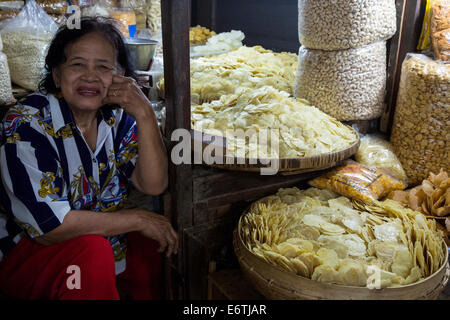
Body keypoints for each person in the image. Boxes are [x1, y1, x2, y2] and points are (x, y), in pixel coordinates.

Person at [0, 16, 178, 300]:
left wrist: (144, 113)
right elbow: (50, 227)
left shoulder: (117, 118)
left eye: (104, 67)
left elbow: (153, 184)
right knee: (95, 250)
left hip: (97, 241)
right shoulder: (27, 124)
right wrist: (138, 219)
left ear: (119, 76)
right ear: (57, 74)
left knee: (147, 246)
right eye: (78, 64)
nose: (91, 76)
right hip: (29, 253)